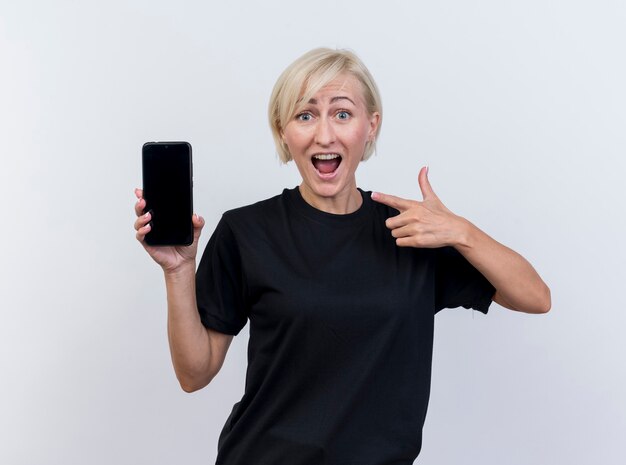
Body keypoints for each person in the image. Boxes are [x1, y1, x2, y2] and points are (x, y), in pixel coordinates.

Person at [133, 48, 551, 465]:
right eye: (305, 115)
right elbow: (194, 373)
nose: (325, 135)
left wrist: (461, 232)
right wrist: (179, 270)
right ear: (283, 131)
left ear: (371, 127)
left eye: (343, 114)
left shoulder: (411, 231)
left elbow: (535, 297)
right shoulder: (246, 232)